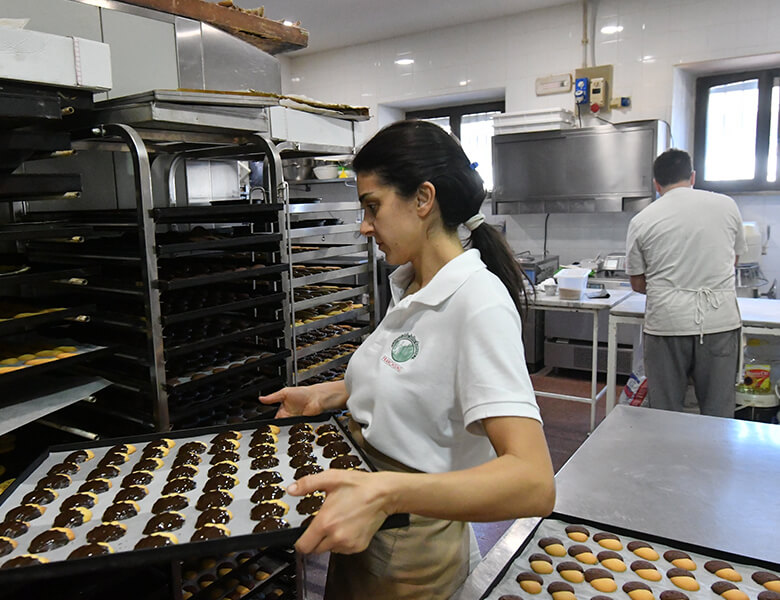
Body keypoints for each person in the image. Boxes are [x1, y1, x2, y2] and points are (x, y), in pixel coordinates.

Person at [260, 120, 555, 599]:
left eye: (373, 206)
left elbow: (533, 481)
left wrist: (388, 492)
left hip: (413, 556)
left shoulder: (477, 303)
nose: (364, 225)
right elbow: (421, 382)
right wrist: (332, 393)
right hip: (368, 526)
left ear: (423, 199)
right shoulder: (413, 285)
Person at [625, 148, 747, 417]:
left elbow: (637, 282)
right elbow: (734, 260)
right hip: (719, 322)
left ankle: (668, 446)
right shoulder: (727, 205)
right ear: (692, 176)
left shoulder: (642, 220)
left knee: (665, 411)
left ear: (656, 185)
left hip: (666, 323)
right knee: (718, 412)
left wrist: (670, 287)